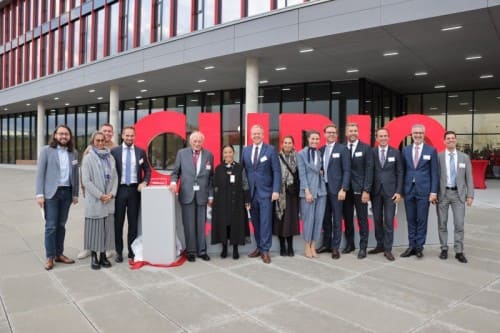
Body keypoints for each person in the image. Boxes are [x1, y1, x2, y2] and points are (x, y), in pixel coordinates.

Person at [35, 125, 79, 270]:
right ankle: (50, 256)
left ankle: (59, 254)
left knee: (61, 225)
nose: (63, 136)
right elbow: (40, 174)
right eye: (60, 134)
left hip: (67, 193)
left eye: (66, 134)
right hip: (51, 194)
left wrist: (75, 194)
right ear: (55, 135)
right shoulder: (46, 151)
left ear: (70, 136)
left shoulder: (73, 153)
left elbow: (75, 175)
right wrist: (39, 194)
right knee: (51, 226)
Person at [169, 131, 214, 262]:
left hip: (202, 195)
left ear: (202, 142)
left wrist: (211, 195)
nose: (197, 143)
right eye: (195, 141)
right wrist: (173, 183)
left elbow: (211, 178)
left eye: (199, 141)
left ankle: (202, 251)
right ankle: (191, 251)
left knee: (201, 224)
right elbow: (175, 172)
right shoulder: (181, 154)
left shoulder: (209, 155)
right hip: (187, 193)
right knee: (188, 225)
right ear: (190, 142)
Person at [242, 124, 281, 264]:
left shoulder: (270, 150)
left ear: (263, 135)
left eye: (258, 133)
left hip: (266, 193)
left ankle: (265, 250)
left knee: (265, 223)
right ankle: (259, 247)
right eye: (254, 134)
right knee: (256, 223)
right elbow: (243, 173)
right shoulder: (245, 151)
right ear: (250, 135)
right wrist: (244, 194)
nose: (256, 136)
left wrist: (276, 190)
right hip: (251, 194)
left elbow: (276, 171)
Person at [111, 126, 151, 263]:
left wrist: (145, 182)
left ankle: (132, 251)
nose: (129, 138)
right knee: (118, 223)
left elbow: (147, 170)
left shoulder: (140, 152)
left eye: (132, 136)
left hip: (135, 190)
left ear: (135, 136)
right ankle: (118, 251)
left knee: (133, 223)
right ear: (122, 136)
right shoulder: (114, 152)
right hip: (119, 190)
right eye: (127, 135)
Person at [78, 123, 118, 260]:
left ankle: (107, 249)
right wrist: (84, 188)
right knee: (93, 222)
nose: (106, 134)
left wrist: (112, 193)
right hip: (95, 194)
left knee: (107, 223)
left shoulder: (115, 149)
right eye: (104, 131)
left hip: (109, 193)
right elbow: (85, 174)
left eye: (109, 131)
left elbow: (116, 173)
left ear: (112, 133)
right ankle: (89, 248)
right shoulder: (90, 150)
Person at [401, 124, 439, 258]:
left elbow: (435, 173)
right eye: (415, 133)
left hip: (424, 191)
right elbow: (402, 171)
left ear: (424, 134)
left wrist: (433, 192)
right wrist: (401, 191)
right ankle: (411, 246)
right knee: (410, 220)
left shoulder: (431, 151)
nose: (417, 135)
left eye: (420, 133)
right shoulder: (405, 150)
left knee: (422, 220)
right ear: (411, 134)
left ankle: (419, 247)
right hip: (409, 190)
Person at [437, 131, 474, 263]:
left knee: (459, 224)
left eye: (453, 138)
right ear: (444, 141)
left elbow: (469, 177)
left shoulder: (464, 157)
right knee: (442, 223)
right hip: (443, 194)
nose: (450, 140)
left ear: (456, 141)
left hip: (459, 195)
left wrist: (470, 195)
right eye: (448, 138)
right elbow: (435, 177)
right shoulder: (439, 157)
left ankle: (459, 251)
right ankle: (444, 249)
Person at [369, 128, 403, 261]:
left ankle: (388, 249)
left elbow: (400, 172)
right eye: (380, 136)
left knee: (388, 221)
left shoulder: (396, 152)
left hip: (391, 193)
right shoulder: (372, 152)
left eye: (385, 136)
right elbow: (369, 170)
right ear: (377, 138)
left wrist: (399, 191)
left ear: (389, 137)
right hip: (376, 192)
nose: (383, 138)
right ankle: (380, 245)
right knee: (377, 220)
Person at [317, 124, 350, 259]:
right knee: (325, 218)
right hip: (323, 189)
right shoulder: (321, 150)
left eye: (333, 132)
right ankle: (327, 244)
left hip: (337, 190)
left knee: (337, 219)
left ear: (336, 135)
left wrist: (344, 188)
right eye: (328, 132)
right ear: (324, 134)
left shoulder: (342, 149)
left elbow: (347, 170)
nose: (331, 134)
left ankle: (335, 247)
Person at [211, 145, 250, 260]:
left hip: (237, 201)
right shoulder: (218, 168)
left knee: (235, 225)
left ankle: (235, 249)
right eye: (225, 152)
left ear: (234, 153)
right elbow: (214, 185)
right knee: (224, 225)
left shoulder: (240, 168)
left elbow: (245, 184)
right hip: (222, 203)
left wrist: (247, 199)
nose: (228, 154)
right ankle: (224, 248)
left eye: (230, 152)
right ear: (223, 154)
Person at [342, 122, 373, 259]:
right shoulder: (342, 148)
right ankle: (350, 244)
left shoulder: (366, 148)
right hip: (345, 190)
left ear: (358, 132)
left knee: (362, 219)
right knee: (348, 219)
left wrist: (366, 190)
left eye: (355, 130)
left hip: (361, 190)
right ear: (346, 133)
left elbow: (369, 170)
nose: (353, 133)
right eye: (350, 130)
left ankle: (363, 247)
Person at [297, 131, 327, 259]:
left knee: (318, 219)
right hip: (308, 191)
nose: (315, 141)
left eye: (317, 139)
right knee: (308, 220)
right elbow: (302, 174)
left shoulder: (320, 153)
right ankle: (307, 246)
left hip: (321, 190)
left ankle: (314, 245)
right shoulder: (301, 154)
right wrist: (307, 191)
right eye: (312, 138)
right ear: (308, 139)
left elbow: (322, 170)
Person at [273, 135, 300, 257]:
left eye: (290, 143)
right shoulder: (276, 157)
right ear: (282, 144)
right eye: (285, 142)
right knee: (281, 220)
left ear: (293, 144)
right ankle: (282, 246)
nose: (287, 145)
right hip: (280, 193)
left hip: (292, 193)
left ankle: (290, 246)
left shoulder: (298, 157)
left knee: (291, 220)